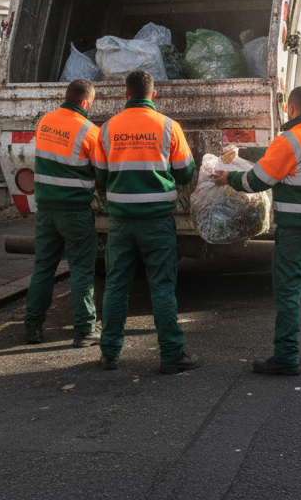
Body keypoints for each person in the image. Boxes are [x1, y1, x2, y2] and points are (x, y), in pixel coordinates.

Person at [207, 86, 301, 376]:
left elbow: (258, 180)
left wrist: (227, 177)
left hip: (297, 230)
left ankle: (286, 356)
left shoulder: (289, 139)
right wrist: (245, 153)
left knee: (289, 292)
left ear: (290, 109)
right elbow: (279, 160)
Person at [93, 70, 199, 374]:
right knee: (162, 287)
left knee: (116, 285)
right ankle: (170, 355)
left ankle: (109, 353)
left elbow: (101, 175)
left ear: (126, 95)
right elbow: (185, 173)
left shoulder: (108, 128)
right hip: (157, 222)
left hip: (121, 223)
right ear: (153, 95)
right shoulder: (169, 127)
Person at [24, 79, 101, 347]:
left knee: (43, 267)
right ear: (85, 102)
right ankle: (84, 330)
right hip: (75, 211)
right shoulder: (90, 131)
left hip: (45, 209)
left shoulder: (45, 121)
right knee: (81, 270)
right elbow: (101, 172)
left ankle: (32, 326)